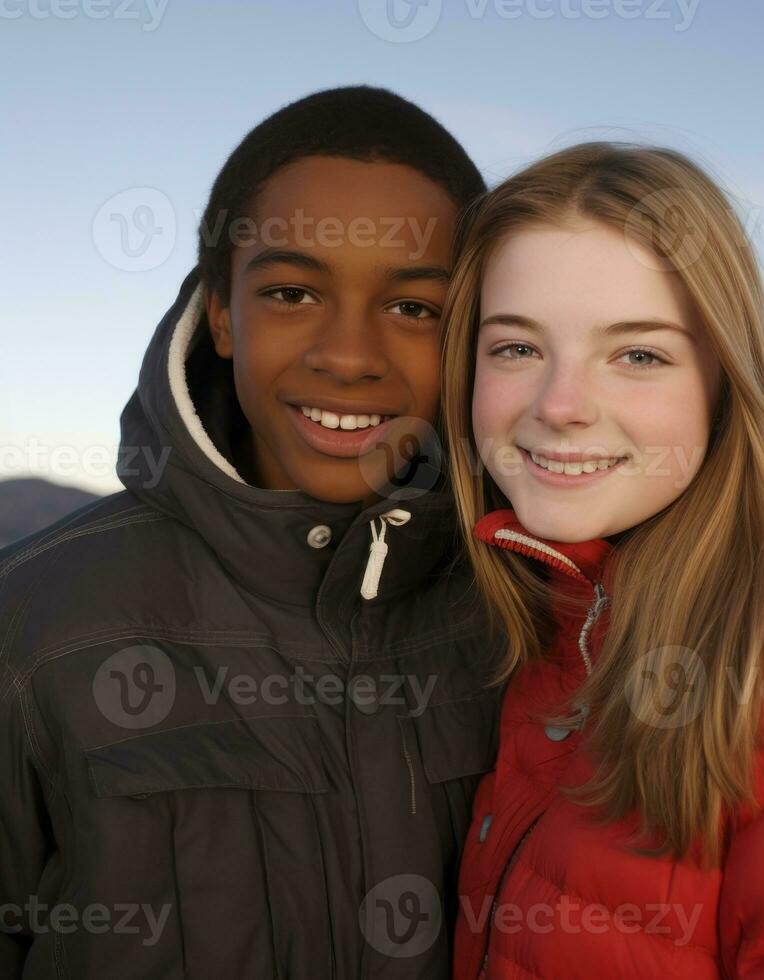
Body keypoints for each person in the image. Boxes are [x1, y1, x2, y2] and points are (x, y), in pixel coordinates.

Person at [0, 86, 505, 979]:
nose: (348, 354)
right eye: (292, 292)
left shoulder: (524, 615)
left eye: (414, 308)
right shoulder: (36, 625)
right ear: (223, 313)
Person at [440, 142, 764, 977]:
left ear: (724, 382)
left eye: (638, 355)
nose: (560, 406)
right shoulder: (554, 620)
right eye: (516, 348)